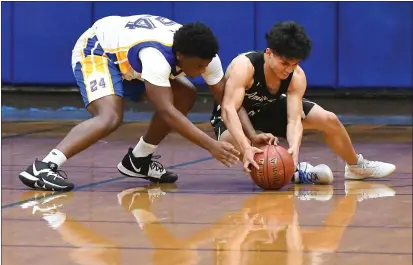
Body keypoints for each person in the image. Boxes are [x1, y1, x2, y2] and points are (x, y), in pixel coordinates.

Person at [18, 14, 240, 192]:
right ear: (180, 55)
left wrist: (250, 142)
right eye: (199, 66)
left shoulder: (206, 56)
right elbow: (167, 112)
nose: (203, 71)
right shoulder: (155, 57)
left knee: (186, 93)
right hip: (99, 50)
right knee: (110, 117)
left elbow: (229, 103)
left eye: (206, 66)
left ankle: (139, 160)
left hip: (130, 57)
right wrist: (211, 145)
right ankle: (43, 167)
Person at [210, 21, 396, 184]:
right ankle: (297, 172)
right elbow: (229, 109)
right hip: (233, 116)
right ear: (269, 53)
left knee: (328, 119)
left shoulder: (296, 76)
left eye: (294, 64)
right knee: (234, 143)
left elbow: (293, 120)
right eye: (284, 63)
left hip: (268, 109)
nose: (288, 70)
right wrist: (246, 144)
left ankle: (356, 166)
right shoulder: (244, 66)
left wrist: (294, 149)